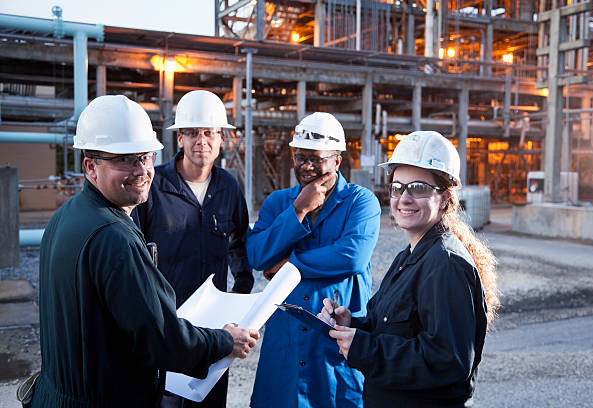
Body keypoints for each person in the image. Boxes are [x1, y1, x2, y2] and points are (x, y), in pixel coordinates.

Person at [32, 95, 259, 408]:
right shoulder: (114, 237)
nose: (140, 170)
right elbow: (163, 341)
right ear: (90, 166)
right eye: (123, 159)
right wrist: (224, 341)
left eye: (145, 157)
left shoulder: (67, 215)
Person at [318, 130, 500, 407]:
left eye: (419, 188)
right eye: (397, 187)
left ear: (446, 197)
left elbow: (448, 361)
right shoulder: (411, 255)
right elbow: (394, 329)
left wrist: (363, 347)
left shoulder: (446, 264)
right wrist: (352, 325)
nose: (404, 198)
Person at [246, 112, 381, 408]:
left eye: (316, 158)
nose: (306, 166)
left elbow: (352, 256)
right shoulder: (279, 202)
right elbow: (257, 255)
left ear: (337, 159)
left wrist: (289, 266)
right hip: (287, 335)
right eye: (300, 157)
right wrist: (298, 210)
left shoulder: (361, 202)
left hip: (335, 334)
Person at [135, 90, 254, 407]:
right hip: (167, 323)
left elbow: (240, 245)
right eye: (192, 132)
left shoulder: (228, 187)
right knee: (166, 398)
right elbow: (132, 248)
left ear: (221, 139)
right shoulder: (154, 186)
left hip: (215, 325)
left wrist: (239, 302)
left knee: (210, 399)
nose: (202, 140)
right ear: (180, 139)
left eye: (210, 132)